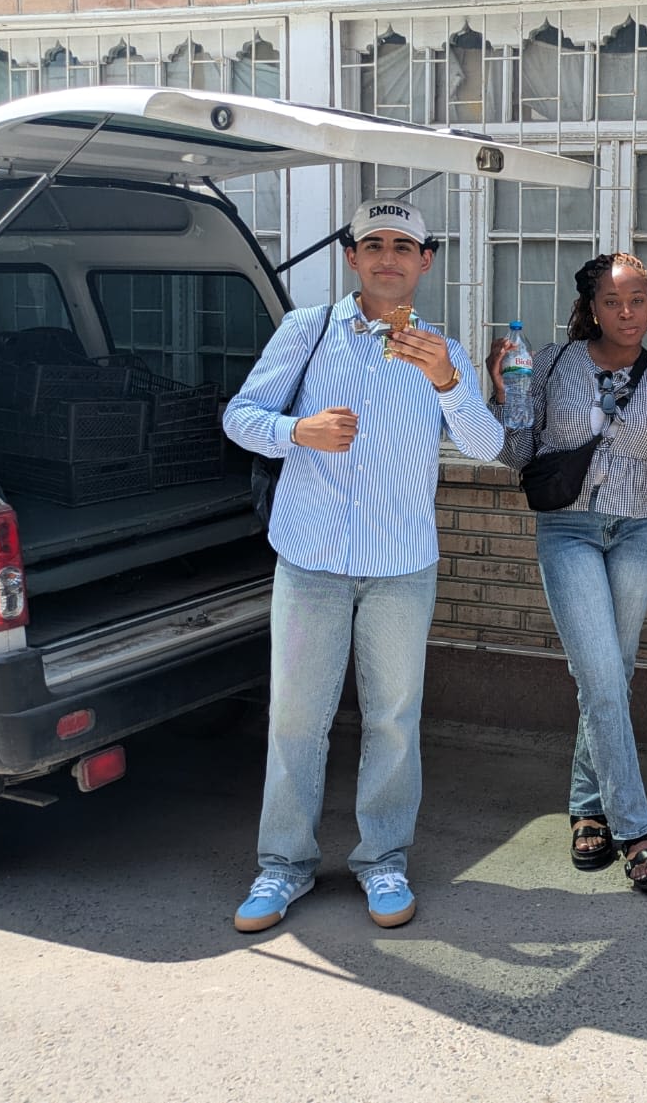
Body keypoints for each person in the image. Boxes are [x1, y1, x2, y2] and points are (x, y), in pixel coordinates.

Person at [222, 198, 504, 933]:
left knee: (393, 719)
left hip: (400, 566)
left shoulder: (440, 348)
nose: (388, 257)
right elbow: (239, 416)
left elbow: (485, 443)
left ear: (426, 261)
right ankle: (282, 866)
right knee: (296, 720)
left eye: (403, 246)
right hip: (311, 559)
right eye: (373, 243)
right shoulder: (307, 330)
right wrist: (297, 430)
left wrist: (448, 379)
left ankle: (384, 860)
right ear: (351, 256)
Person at [489, 253, 647, 895]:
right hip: (568, 531)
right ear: (592, 306)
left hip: (640, 530)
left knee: (613, 676)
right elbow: (518, 454)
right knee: (602, 676)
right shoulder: (555, 363)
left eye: (638, 300)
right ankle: (635, 828)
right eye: (613, 302)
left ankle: (586, 807)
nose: (627, 313)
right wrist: (507, 396)